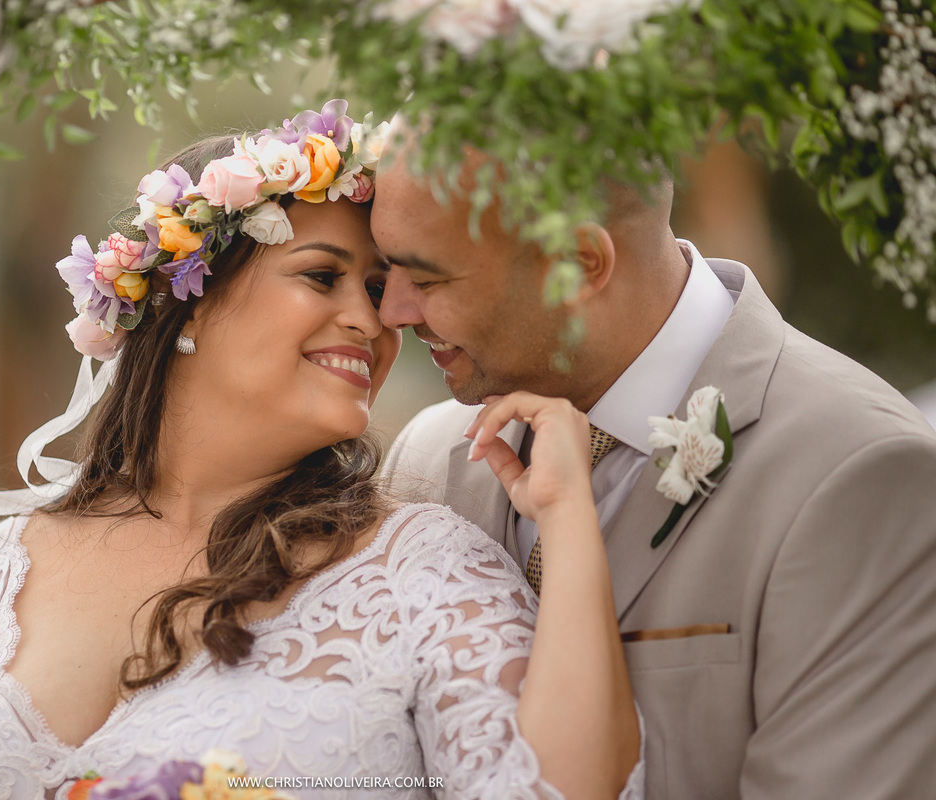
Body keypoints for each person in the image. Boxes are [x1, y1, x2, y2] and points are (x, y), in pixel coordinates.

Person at [0, 103, 642, 800]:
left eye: (376, 290)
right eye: (322, 276)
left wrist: (568, 520)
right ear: (187, 298)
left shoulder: (422, 570)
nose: (372, 323)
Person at [373, 132, 936, 799]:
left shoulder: (859, 474)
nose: (391, 312)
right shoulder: (431, 459)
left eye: (427, 277)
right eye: (388, 272)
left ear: (580, 264)